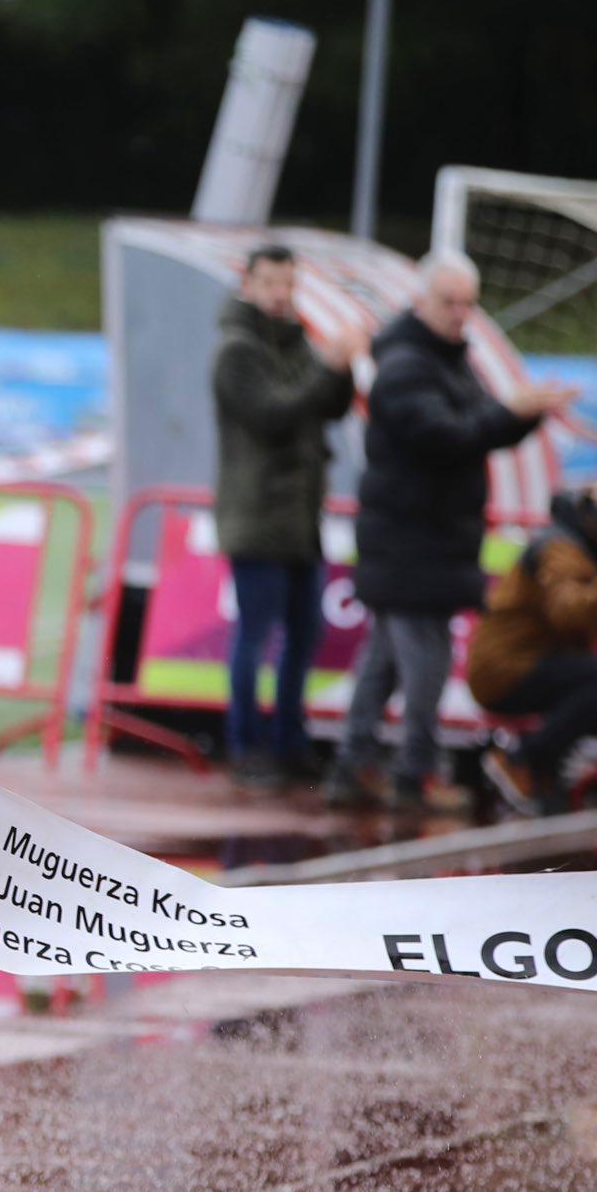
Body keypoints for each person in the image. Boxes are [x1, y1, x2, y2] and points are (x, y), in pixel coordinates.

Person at [323, 253, 576, 814]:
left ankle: (352, 766)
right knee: (424, 666)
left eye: (469, 303)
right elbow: (447, 436)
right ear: (420, 302)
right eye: (450, 302)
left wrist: (524, 413)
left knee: (384, 662)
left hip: (417, 542)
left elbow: (475, 429)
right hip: (414, 543)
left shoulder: (441, 361)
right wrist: (516, 411)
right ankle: (415, 775)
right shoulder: (409, 365)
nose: (462, 314)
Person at [211, 243, 362, 787]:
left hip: (299, 521)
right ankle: (246, 746)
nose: (281, 295)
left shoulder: (298, 341)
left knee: (305, 634)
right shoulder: (235, 351)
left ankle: (289, 745)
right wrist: (328, 368)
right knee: (254, 638)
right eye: (271, 283)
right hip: (255, 519)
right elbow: (274, 415)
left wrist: (341, 369)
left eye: (288, 284)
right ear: (246, 282)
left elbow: (330, 405)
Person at [470, 452, 597, 815]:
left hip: (526, 661)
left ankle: (541, 771)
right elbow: (567, 611)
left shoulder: (590, 537)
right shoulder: (561, 547)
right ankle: (521, 761)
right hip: (506, 669)